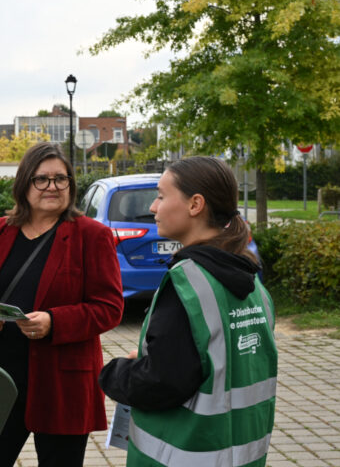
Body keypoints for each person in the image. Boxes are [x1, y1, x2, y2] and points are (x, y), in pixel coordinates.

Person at [99, 156, 277, 466]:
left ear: (195, 204)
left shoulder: (188, 285)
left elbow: (162, 382)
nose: (153, 207)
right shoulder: (255, 287)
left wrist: (115, 373)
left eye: (161, 196)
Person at [0, 142, 123, 467]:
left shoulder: (91, 235)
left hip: (61, 382)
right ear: (24, 184)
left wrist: (54, 321)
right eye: (42, 179)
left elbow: (109, 307)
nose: (53, 186)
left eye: (61, 179)